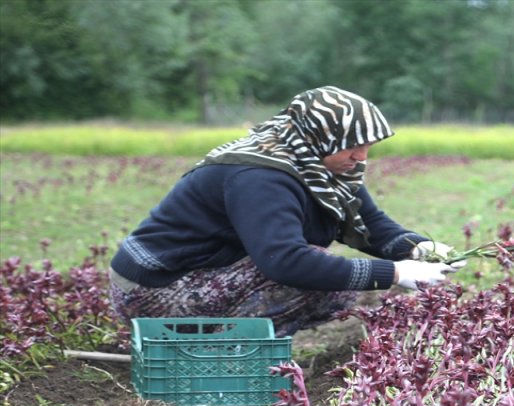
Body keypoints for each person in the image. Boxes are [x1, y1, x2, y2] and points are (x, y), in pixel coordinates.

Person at [109, 86, 461, 337]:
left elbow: (369, 222)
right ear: (318, 137)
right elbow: (284, 261)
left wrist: (418, 248)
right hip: (154, 288)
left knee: (337, 281)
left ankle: (237, 345)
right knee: (315, 276)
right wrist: (395, 272)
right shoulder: (260, 176)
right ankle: (226, 356)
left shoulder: (317, 163)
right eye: (352, 146)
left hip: (204, 271)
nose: (361, 157)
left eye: (368, 145)